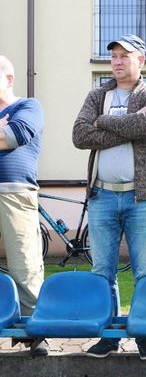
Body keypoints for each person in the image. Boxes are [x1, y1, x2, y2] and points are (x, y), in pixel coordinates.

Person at [72, 34, 146, 360]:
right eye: (113, 56)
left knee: (145, 271)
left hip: (141, 198)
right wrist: (125, 128)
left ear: (141, 60)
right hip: (102, 196)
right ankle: (109, 336)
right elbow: (79, 135)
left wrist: (103, 122)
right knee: (102, 271)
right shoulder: (97, 94)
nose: (116, 61)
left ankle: (145, 335)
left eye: (124, 56)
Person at [0, 55, 48, 356]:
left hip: (16, 193)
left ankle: (36, 333)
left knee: (25, 265)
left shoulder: (28, 106)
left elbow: (15, 136)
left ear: (8, 79)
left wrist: (6, 131)